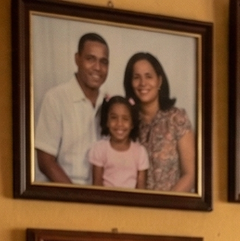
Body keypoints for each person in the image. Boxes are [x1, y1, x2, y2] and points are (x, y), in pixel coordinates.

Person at [35, 33, 109, 185]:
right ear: (77, 59)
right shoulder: (55, 98)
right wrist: (76, 198)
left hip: (100, 198)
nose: (97, 67)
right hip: (63, 197)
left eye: (103, 62)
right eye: (90, 59)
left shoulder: (110, 103)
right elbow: (45, 161)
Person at [124, 53, 196, 193]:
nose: (143, 83)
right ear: (130, 83)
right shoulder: (126, 122)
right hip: (134, 209)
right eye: (136, 77)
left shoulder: (176, 118)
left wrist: (165, 206)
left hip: (172, 209)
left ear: (159, 81)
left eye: (148, 76)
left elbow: (190, 175)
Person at [89, 96, 149, 189]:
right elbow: (97, 186)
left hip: (132, 202)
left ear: (132, 123)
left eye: (125, 119)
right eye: (114, 118)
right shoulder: (99, 149)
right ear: (107, 121)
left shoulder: (140, 152)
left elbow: (141, 189)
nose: (119, 124)